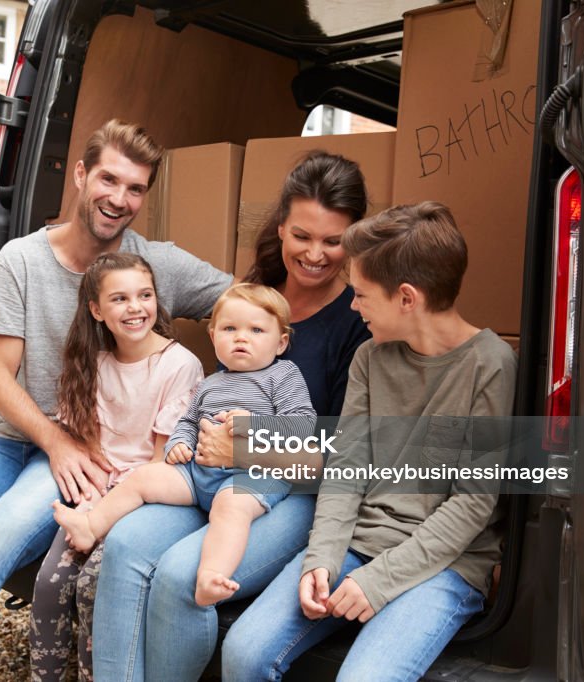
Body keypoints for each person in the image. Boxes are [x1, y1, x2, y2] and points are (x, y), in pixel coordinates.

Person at [0, 120, 231, 682]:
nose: (119, 199)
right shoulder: (22, 260)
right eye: (109, 179)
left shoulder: (154, 266)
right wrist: (53, 440)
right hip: (24, 437)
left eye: (135, 189)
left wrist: (237, 390)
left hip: (90, 451)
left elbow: (249, 305)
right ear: (81, 175)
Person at [92, 151, 373, 681]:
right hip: (207, 474)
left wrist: (244, 447)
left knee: (180, 574)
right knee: (126, 545)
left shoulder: (358, 322)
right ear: (281, 229)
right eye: (302, 236)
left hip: (291, 492)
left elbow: (345, 453)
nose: (314, 254)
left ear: (354, 240)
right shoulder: (252, 293)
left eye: (332, 241)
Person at [221, 202, 518, 681]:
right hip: (358, 545)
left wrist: (379, 581)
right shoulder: (369, 358)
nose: (353, 307)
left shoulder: (491, 365)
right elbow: (346, 469)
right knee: (243, 652)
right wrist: (323, 558)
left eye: (360, 295)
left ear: (406, 298)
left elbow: (470, 507)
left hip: (445, 566)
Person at [55, 283, 316, 607]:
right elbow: (189, 423)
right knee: (145, 476)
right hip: (199, 472)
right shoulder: (210, 382)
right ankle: (90, 526)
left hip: (253, 476)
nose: (241, 337)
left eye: (256, 330)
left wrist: (255, 424)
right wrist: (179, 443)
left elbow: (303, 424)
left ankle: (212, 574)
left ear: (281, 343)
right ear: (213, 336)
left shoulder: (283, 376)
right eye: (230, 328)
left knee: (230, 509)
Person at [28, 252, 204, 682]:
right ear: (97, 310)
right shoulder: (96, 364)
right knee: (50, 584)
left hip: (145, 501)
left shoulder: (178, 366)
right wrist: (90, 498)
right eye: (120, 299)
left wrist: (106, 514)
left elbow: (161, 466)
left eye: (145, 295)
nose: (135, 307)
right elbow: (91, 447)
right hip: (100, 496)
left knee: (93, 588)